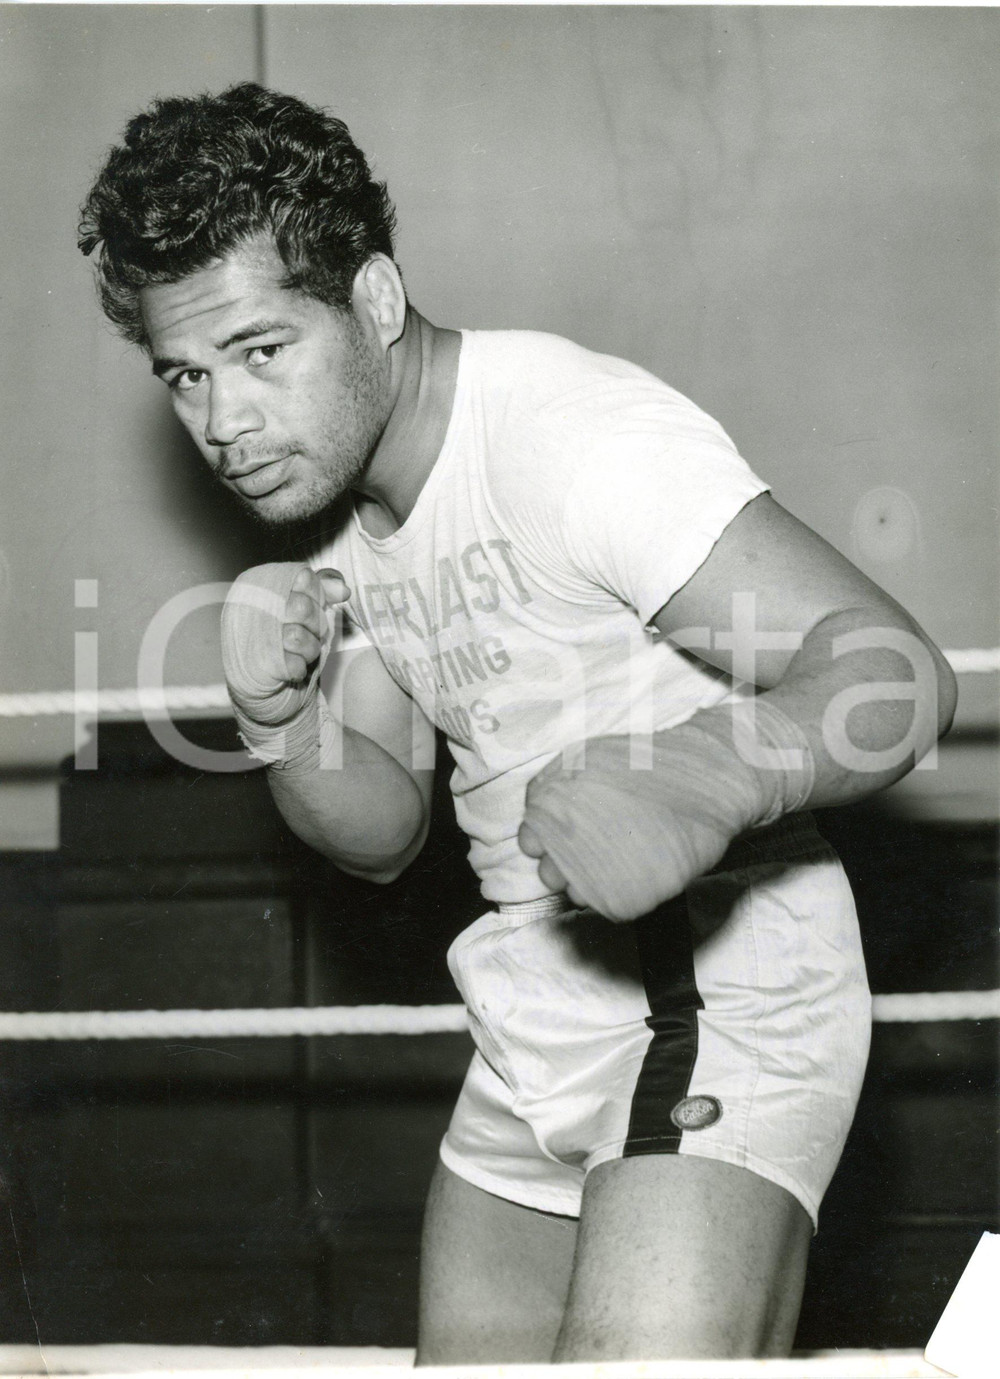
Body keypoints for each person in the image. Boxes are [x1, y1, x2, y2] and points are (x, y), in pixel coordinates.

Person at [78, 83, 956, 1362]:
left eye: (263, 352)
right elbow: (383, 829)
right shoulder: (342, 507)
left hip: (717, 975)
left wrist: (713, 773)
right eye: (187, 376)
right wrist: (281, 724)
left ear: (373, 301)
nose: (224, 423)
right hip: (535, 1000)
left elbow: (893, 669)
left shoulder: (569, 436)